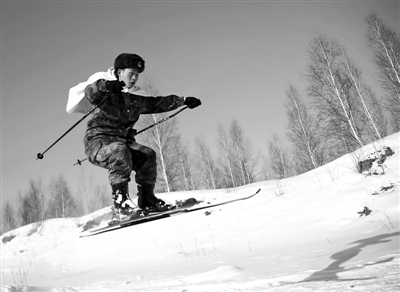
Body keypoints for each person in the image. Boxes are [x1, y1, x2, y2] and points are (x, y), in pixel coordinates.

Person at [73, 53, 201, 220]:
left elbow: (158, 103)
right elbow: (91, 92)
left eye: (137, 75)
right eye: (130, 73)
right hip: (98, 143)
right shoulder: (106, 91)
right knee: (119, 151)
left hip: (123, 144)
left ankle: (148, 201)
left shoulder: (135, 99)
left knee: (147, 154)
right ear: (119, 72)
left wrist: (183, 101)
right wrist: (106, 86)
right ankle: (121, 206)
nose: (134, 78)